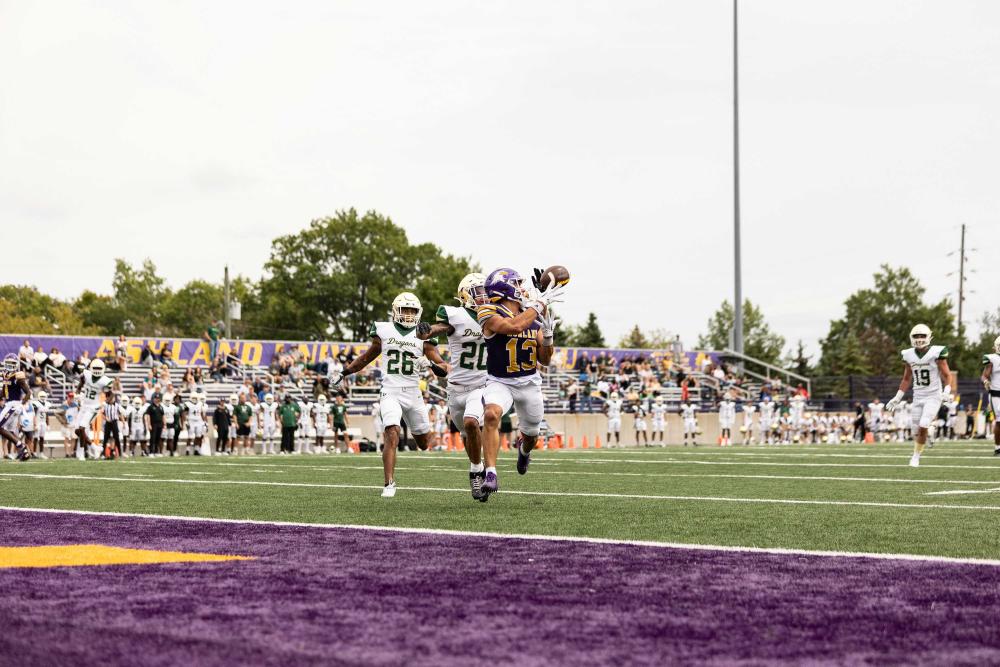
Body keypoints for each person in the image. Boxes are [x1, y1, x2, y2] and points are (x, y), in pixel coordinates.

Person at [329, 292, 439, 496]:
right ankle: (389, 483)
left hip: (413, 393)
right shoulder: (384, 330)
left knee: (423, 443)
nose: (408, 314)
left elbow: (441, 366)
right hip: (390, 391)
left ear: (418, 312)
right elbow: (366, 358)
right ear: (395, 310)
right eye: (404, 309)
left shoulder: (424, 333)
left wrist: (431, 364)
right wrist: (344, 373)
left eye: (412, 310)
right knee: (391, 431)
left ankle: (430, 440)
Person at [476, 268, 563, 499]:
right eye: (516, 283)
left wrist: (548, 336)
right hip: (500, 381)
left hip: (529, 382)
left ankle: (524, 452)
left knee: (532, 435)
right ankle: (491, 473)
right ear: (504, 287)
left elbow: (545, 360)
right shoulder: (488, 310)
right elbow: (513, 327)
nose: (522, 288)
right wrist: (539, 305)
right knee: (491, 415)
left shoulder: (530, 314)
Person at [416, 272, 493, 495]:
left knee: (471, 422)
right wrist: (427, 331)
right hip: (456, 387)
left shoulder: (494, 315)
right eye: (478, 291)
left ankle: (476, 472)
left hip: (481, 385)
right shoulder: (455, 315)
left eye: (485, 291)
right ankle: (478, 466)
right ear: (465, 294)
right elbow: (440, 329)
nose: (483, 296)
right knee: (467, 435)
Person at [885, 324, 953, 467]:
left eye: (922, 336)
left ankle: (916, 457)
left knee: (923, 424)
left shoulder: (936, 352)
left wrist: (947, 391)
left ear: (929, 337)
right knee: (915, 430)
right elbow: (906, 379)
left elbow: (947, 374)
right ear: (911, 337)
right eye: (916, 336)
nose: (919, 338)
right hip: (918, 396)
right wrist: (897, 397)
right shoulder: (908, 354)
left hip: (933, 395)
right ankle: (930, 432)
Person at [73, 359, 113, 459]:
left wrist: (104, 403)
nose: (97, 370)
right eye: (95, 368)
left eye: (99, 368)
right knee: (77, 431)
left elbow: (110, 395)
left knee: (82, 428)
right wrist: (77, 394)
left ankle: (81, 453)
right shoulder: (86, 375)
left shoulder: (105, 380)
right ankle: (94, 447)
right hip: (84, 405)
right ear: (91, 368)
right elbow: (80, 385)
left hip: (94, 407)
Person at [981, 336, 1000, 455]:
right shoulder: (992, 359)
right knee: (999, 421)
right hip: (996, 394)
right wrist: (985, 381)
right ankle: (998, 447)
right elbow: (985, 375)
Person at [101, 391, 123, 459]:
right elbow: (102, 414)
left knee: (116, 437)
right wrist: (106, 418)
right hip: (108, 423)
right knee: (105, 438)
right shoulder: (105, 405)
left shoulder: (117, 405)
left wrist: (123, 422)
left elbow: (120, 414)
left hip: (114, 422)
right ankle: (103, 453)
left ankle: (119, 453)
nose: (111, 399)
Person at [145, 393, 165, 458]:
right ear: (153, 399)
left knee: (158, 438)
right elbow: (148, 416)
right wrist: (149, 424)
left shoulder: (161, 407)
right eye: (156, 398)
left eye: (158, 398)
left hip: (160, 424)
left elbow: (163, 416)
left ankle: (156, 451)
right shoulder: (150, 407)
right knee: (152, 438)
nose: (157, 399)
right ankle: (151, 452)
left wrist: (164, 424)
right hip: (153, 424)